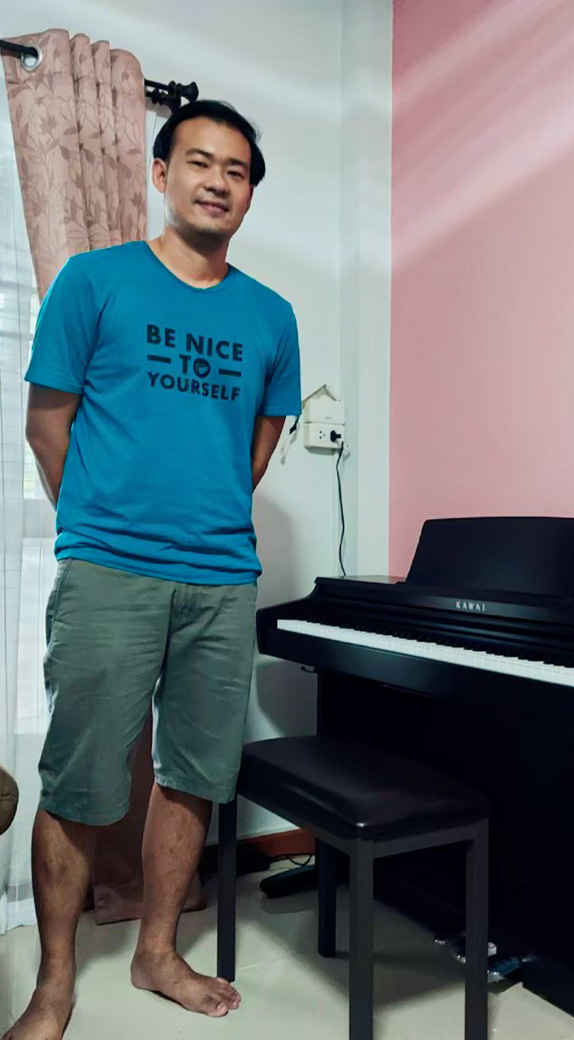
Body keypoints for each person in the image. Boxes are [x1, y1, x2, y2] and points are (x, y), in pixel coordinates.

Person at [4, 100, 301, 1040]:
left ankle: (158, 952)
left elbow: (254, 452)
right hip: (109, 572)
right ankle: (55, 983)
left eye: (237, 171)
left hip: (222, 578)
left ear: (249, 195)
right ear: (162, 173)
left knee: (195, 775)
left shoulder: (272, 316)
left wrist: (195, 519)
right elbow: (46, 427)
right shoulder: (95, 282)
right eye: (200, 162)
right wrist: (101, 527)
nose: (219, 181)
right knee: (80, 780)